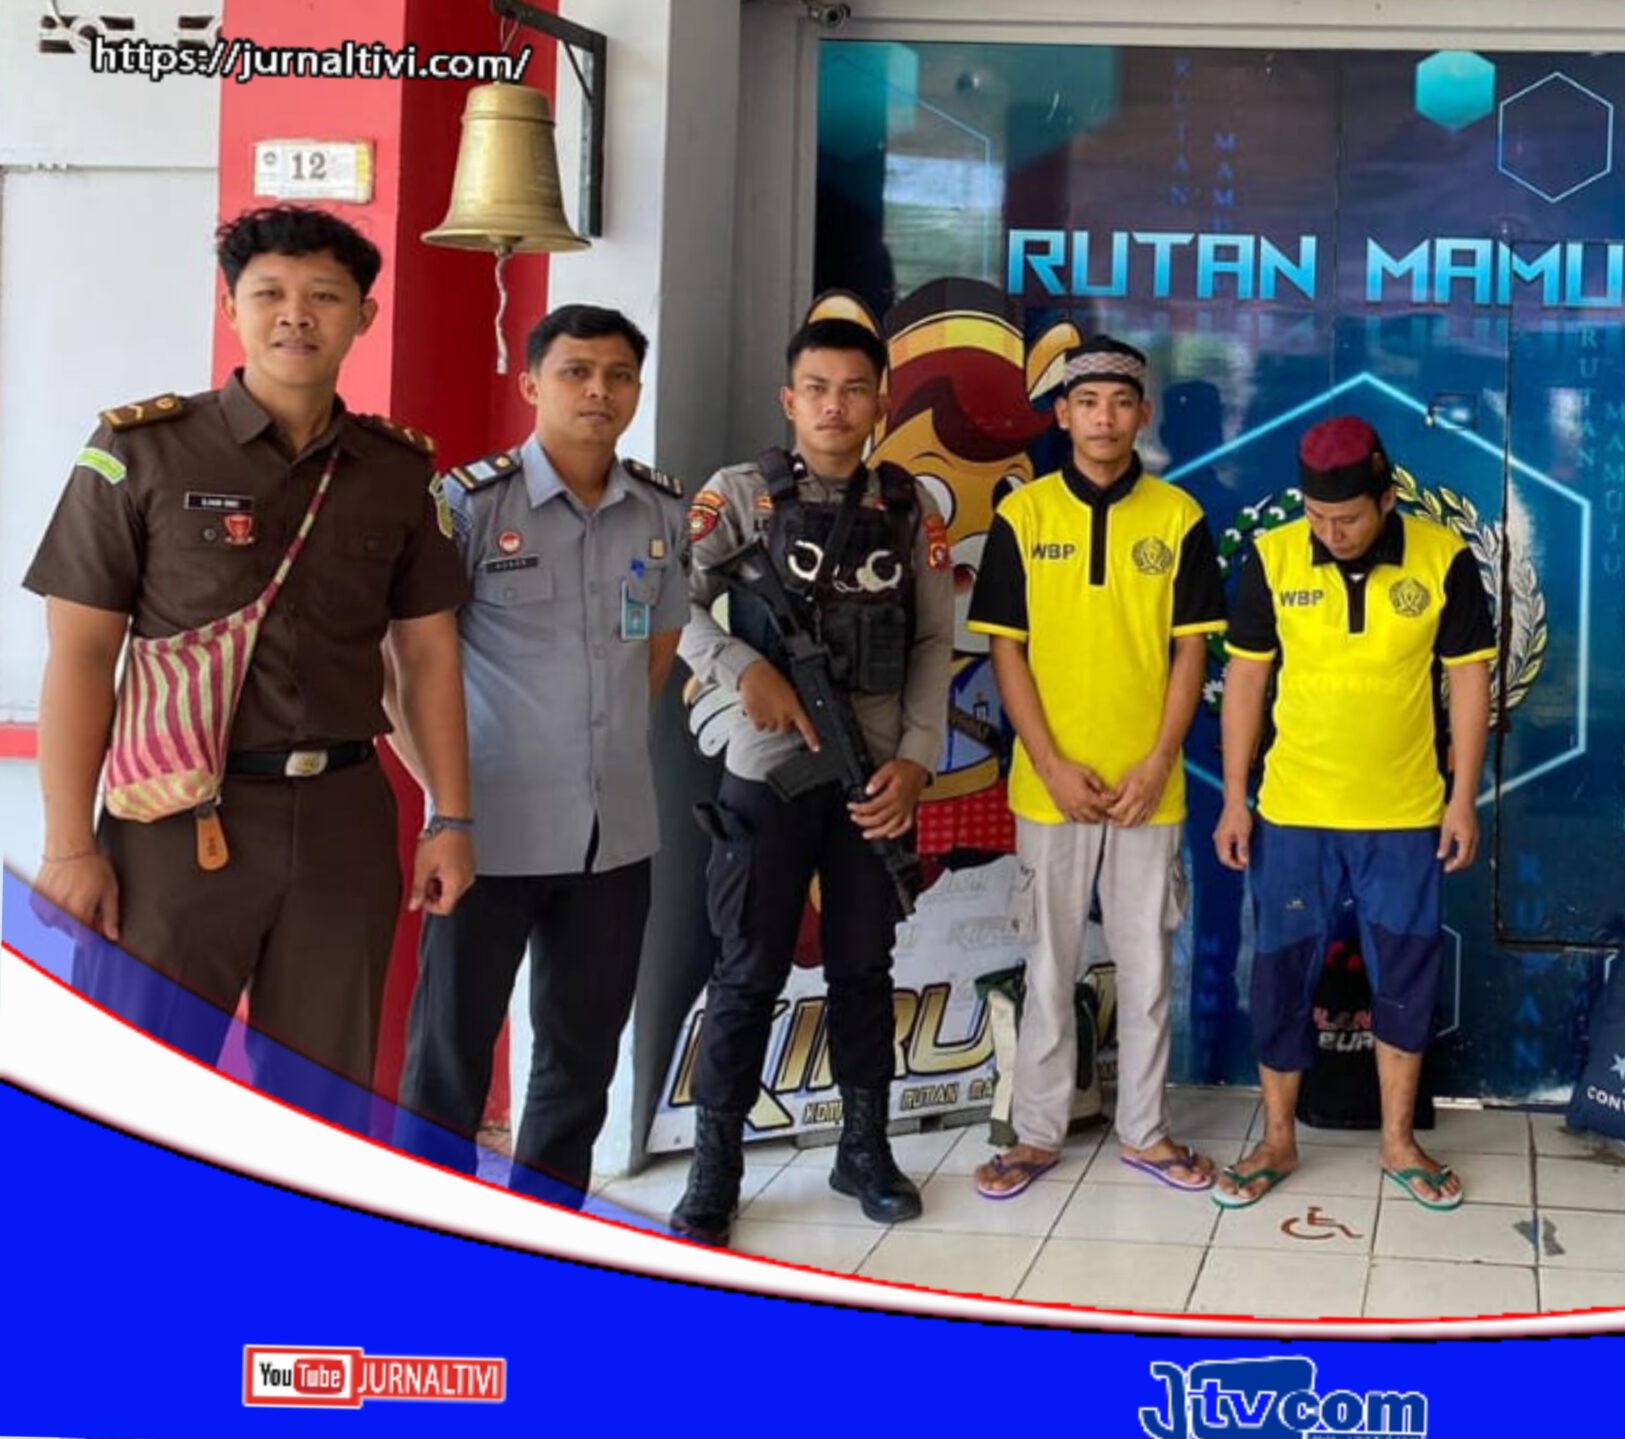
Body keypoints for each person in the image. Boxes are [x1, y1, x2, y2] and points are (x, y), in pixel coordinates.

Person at [23, 205, 472, 1131]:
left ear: (364, 316)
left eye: (324, 296)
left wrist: (450, 816)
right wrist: (70, 845)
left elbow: (427, 655)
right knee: (138, 1089)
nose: (296, 315)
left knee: (325, 1101)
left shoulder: (397, 471)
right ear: (231, 307)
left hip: (343, 818)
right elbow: (82, 655)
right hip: (173, 825)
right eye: (270, 293)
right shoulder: (140, 451)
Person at [390, 305, 689, 1204]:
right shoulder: (469, 505)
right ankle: (423, 1229)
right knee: (448, 1057)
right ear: (530, 384)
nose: (599, 391)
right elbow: (400, 669)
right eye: (575, 372)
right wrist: (445, 802)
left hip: (614, 839)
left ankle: (543, 1228)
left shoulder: (660, 509)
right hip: (488, 835)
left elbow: (655, 653)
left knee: (580, 1061)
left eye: (618, 375)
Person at [668, 316, 952, 1242]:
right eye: (818, 389)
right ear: (791, 400)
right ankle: (716, 1163)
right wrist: (739, 667)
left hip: (874, 771)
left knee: (865, 964)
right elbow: (669, 596)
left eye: (855, 389)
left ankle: (864, 1147)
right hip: (769, 766)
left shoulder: (909, 504)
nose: (836, 407)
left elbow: (932, 638)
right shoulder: (738, 495)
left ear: (880, 403)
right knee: (747, 969)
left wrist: (917, 757)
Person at [1210, 416, 1495, 1211]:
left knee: (1405, 973)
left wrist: (1462, 797)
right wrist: (1234, 798)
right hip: (1293, 810)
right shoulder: (1272, 557)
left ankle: (1399, 1141)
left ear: (1386, 499)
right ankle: (1276, 1138)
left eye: (1346, 519)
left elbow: (1469, 679)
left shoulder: (1443, 556)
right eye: (1316, 517)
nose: (1330, 533)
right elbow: (1245, 680)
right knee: (1280, 973)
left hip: (1404, 813)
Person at [964, 336, 1226, 1199]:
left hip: (1150, 789)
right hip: (1052, 788)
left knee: (1148, 969)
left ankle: (1146, 1132)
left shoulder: (1179, 518)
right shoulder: (1025, 515)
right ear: (1063, 414)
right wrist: (1049, 762)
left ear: (1143, 414)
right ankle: (1037, 1132)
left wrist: (1157, 761)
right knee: (1049, 964)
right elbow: (1007, 651)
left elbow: (1191, 653)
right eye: (1087, 403)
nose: (1104, 418)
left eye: (1120, 402)